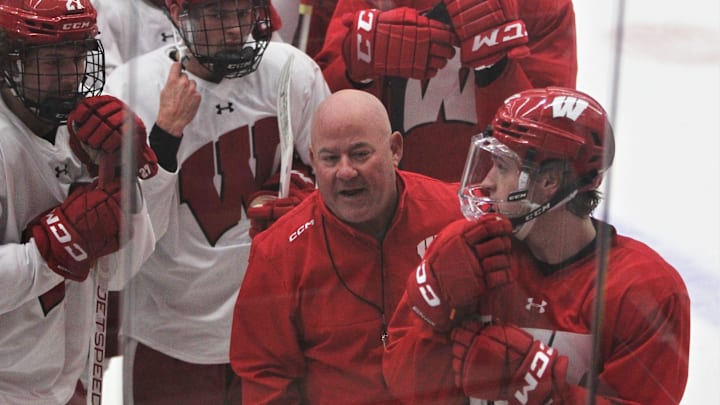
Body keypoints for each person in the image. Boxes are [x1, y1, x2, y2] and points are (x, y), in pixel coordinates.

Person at [383, 87, 691, 404]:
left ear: (548, 182)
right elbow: (403, 385)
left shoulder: (646, 292)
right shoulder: (468, 252)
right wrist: (434, 318)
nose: (487, 182)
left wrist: (548, 396)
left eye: (502, 166)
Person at [101, 0, 331, 403]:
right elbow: (118, 257)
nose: (233, 29)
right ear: (176, 13)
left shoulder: (292, 71)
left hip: (274, 328)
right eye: (218, 14)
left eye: (243, 13)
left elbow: (340, 177)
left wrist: (309, 199)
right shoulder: (130, 88)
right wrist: (165, 137)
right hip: (170, 335)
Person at [229, 89, 465, 404]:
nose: (345, 171)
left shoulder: (455, 215)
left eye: (360, 154)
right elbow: (265, 378)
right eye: (330, 158)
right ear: (312, 160)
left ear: (394, 149)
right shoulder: (278, 254)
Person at [0, 0, 157, 403]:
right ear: (6, 61)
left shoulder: (86, 128)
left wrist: (123, 180)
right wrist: (54, 249)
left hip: (69, 381)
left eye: (78, 57)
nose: (71, 76)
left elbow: (121, 272)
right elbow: (66, 248)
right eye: (53, 62)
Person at [314, 0, 577, 182]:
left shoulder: (539, 6)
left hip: (500, 212)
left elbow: (556, 140)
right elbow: (319, 129)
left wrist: (495, 67)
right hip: (389, 215)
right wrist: (358, 72)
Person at [92, 0, 285, 76]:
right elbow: (108, 84)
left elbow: (279, 59)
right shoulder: (105, 6)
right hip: (157, 110)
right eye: (218, 15)